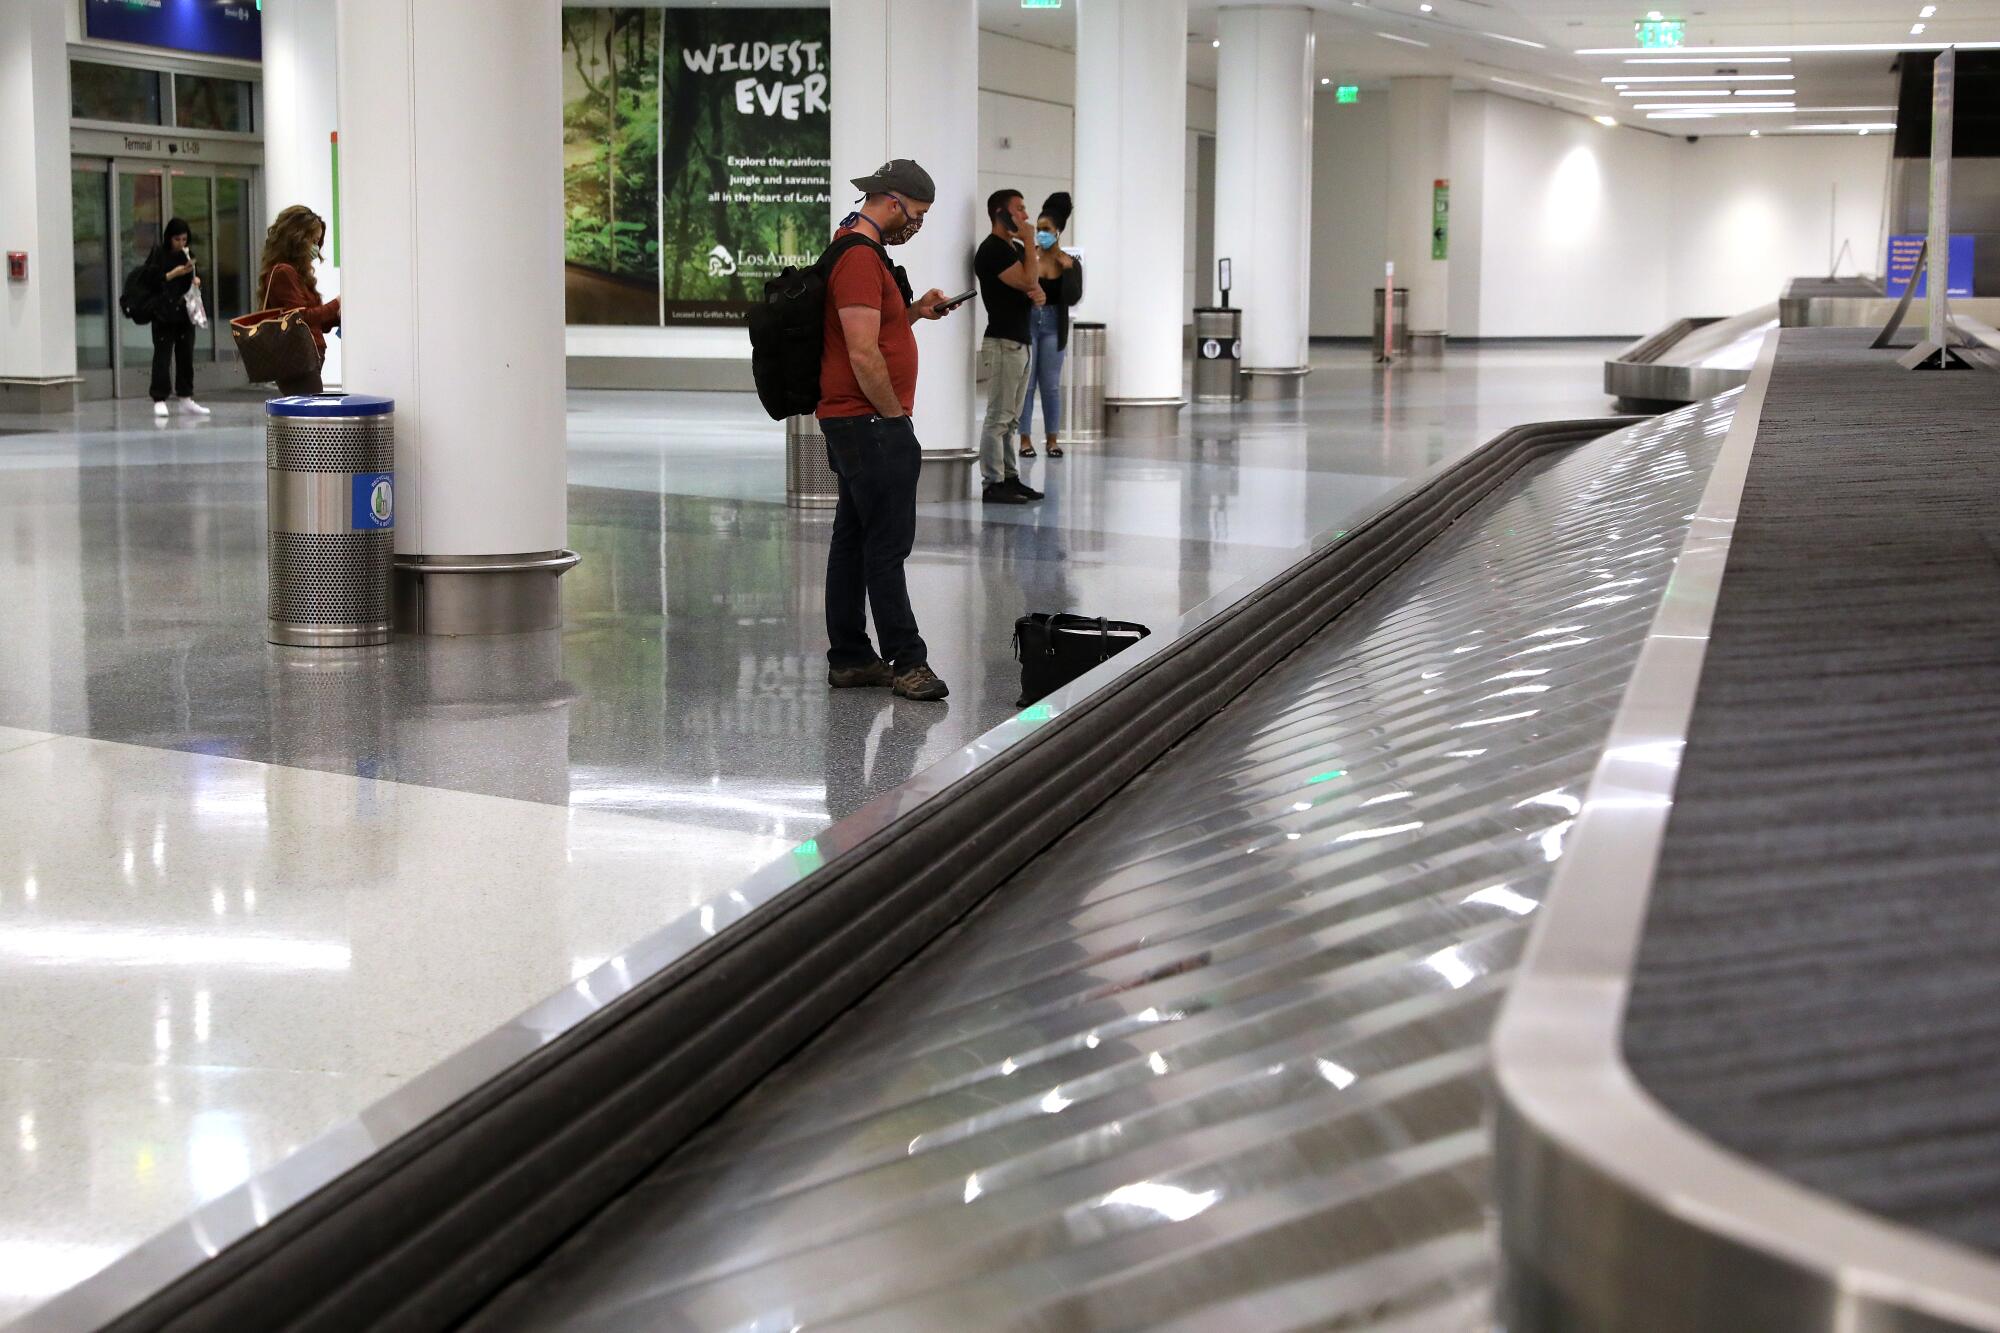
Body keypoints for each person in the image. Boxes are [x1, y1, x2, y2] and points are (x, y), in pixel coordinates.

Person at [817, 159, 958, 703]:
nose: (915, 224)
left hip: (858, 419)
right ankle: (908, 662)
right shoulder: (857, 257)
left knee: (853, 539)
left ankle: (851, 659)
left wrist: (915, 311)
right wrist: (893, 418)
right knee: (886, 545)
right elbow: (861, 350)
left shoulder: (859, 249)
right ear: (894, 201)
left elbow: (876, 325)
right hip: (868, 420)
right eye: (917, 214)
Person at [973, 189, 1046, 505]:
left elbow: (1035, 284)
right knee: (999, 417)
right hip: (1002, 342)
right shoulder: (992, 251)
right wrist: (1030, 242)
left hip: (1021, 342)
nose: (1026, 216)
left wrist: (1037, 290)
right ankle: (993, 482)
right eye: (1019, 209)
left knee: (1012, 419)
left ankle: (1011, 477)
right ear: (1000, 213)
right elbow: (1029, 280)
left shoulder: (1013, 248)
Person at [1018, 193, 1083, 460]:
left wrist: (1067, 271)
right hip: (1030, 320)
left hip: (1055, 324)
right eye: (1039, 229)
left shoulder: (1070, 262)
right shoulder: (1029, 256)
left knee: (1051, 385)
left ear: (1058, 232)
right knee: (1027, 384)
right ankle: (1024, 439)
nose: (1041, 234)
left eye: (1046, 230)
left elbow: (1074, 297)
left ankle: (1052, 439)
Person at [257, 205, 342, 396]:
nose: (315, 248)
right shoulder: (284, 273)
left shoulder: (296, 274)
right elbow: (301, 317)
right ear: (296, 239)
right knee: (309, 418)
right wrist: (336, 303)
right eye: (312, 240)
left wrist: (337, 314)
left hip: (306, 359)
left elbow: (317, 322)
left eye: (317, 242)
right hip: (298, 361)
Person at [145, 218, 209, 420]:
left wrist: (196, 281)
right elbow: (151, 281)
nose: (181, 243)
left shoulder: (187, 254)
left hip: (184, 312)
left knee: (186, 355)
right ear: (169, 238)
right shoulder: (158, 255)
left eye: (184, 239)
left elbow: (192, 281)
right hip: (163, 313)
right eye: (177, 239)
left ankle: (185, 397)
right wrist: (173, 274)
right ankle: (159, 398)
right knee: (163, 355)